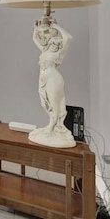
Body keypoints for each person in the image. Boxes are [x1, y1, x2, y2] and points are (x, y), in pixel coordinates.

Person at [28, 17, 75, 147]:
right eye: (53, 44)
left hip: (53, 79)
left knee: (54, 104)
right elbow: (35, 39)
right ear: (49, 44)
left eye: (58, 45)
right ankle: (52, 125)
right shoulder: (45, 51)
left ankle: (52, 127)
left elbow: (68, 38)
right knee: (44, 103)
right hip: (42, 79)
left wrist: (56, 26)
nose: (55, 46)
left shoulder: (59, 54)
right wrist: (36, 28)